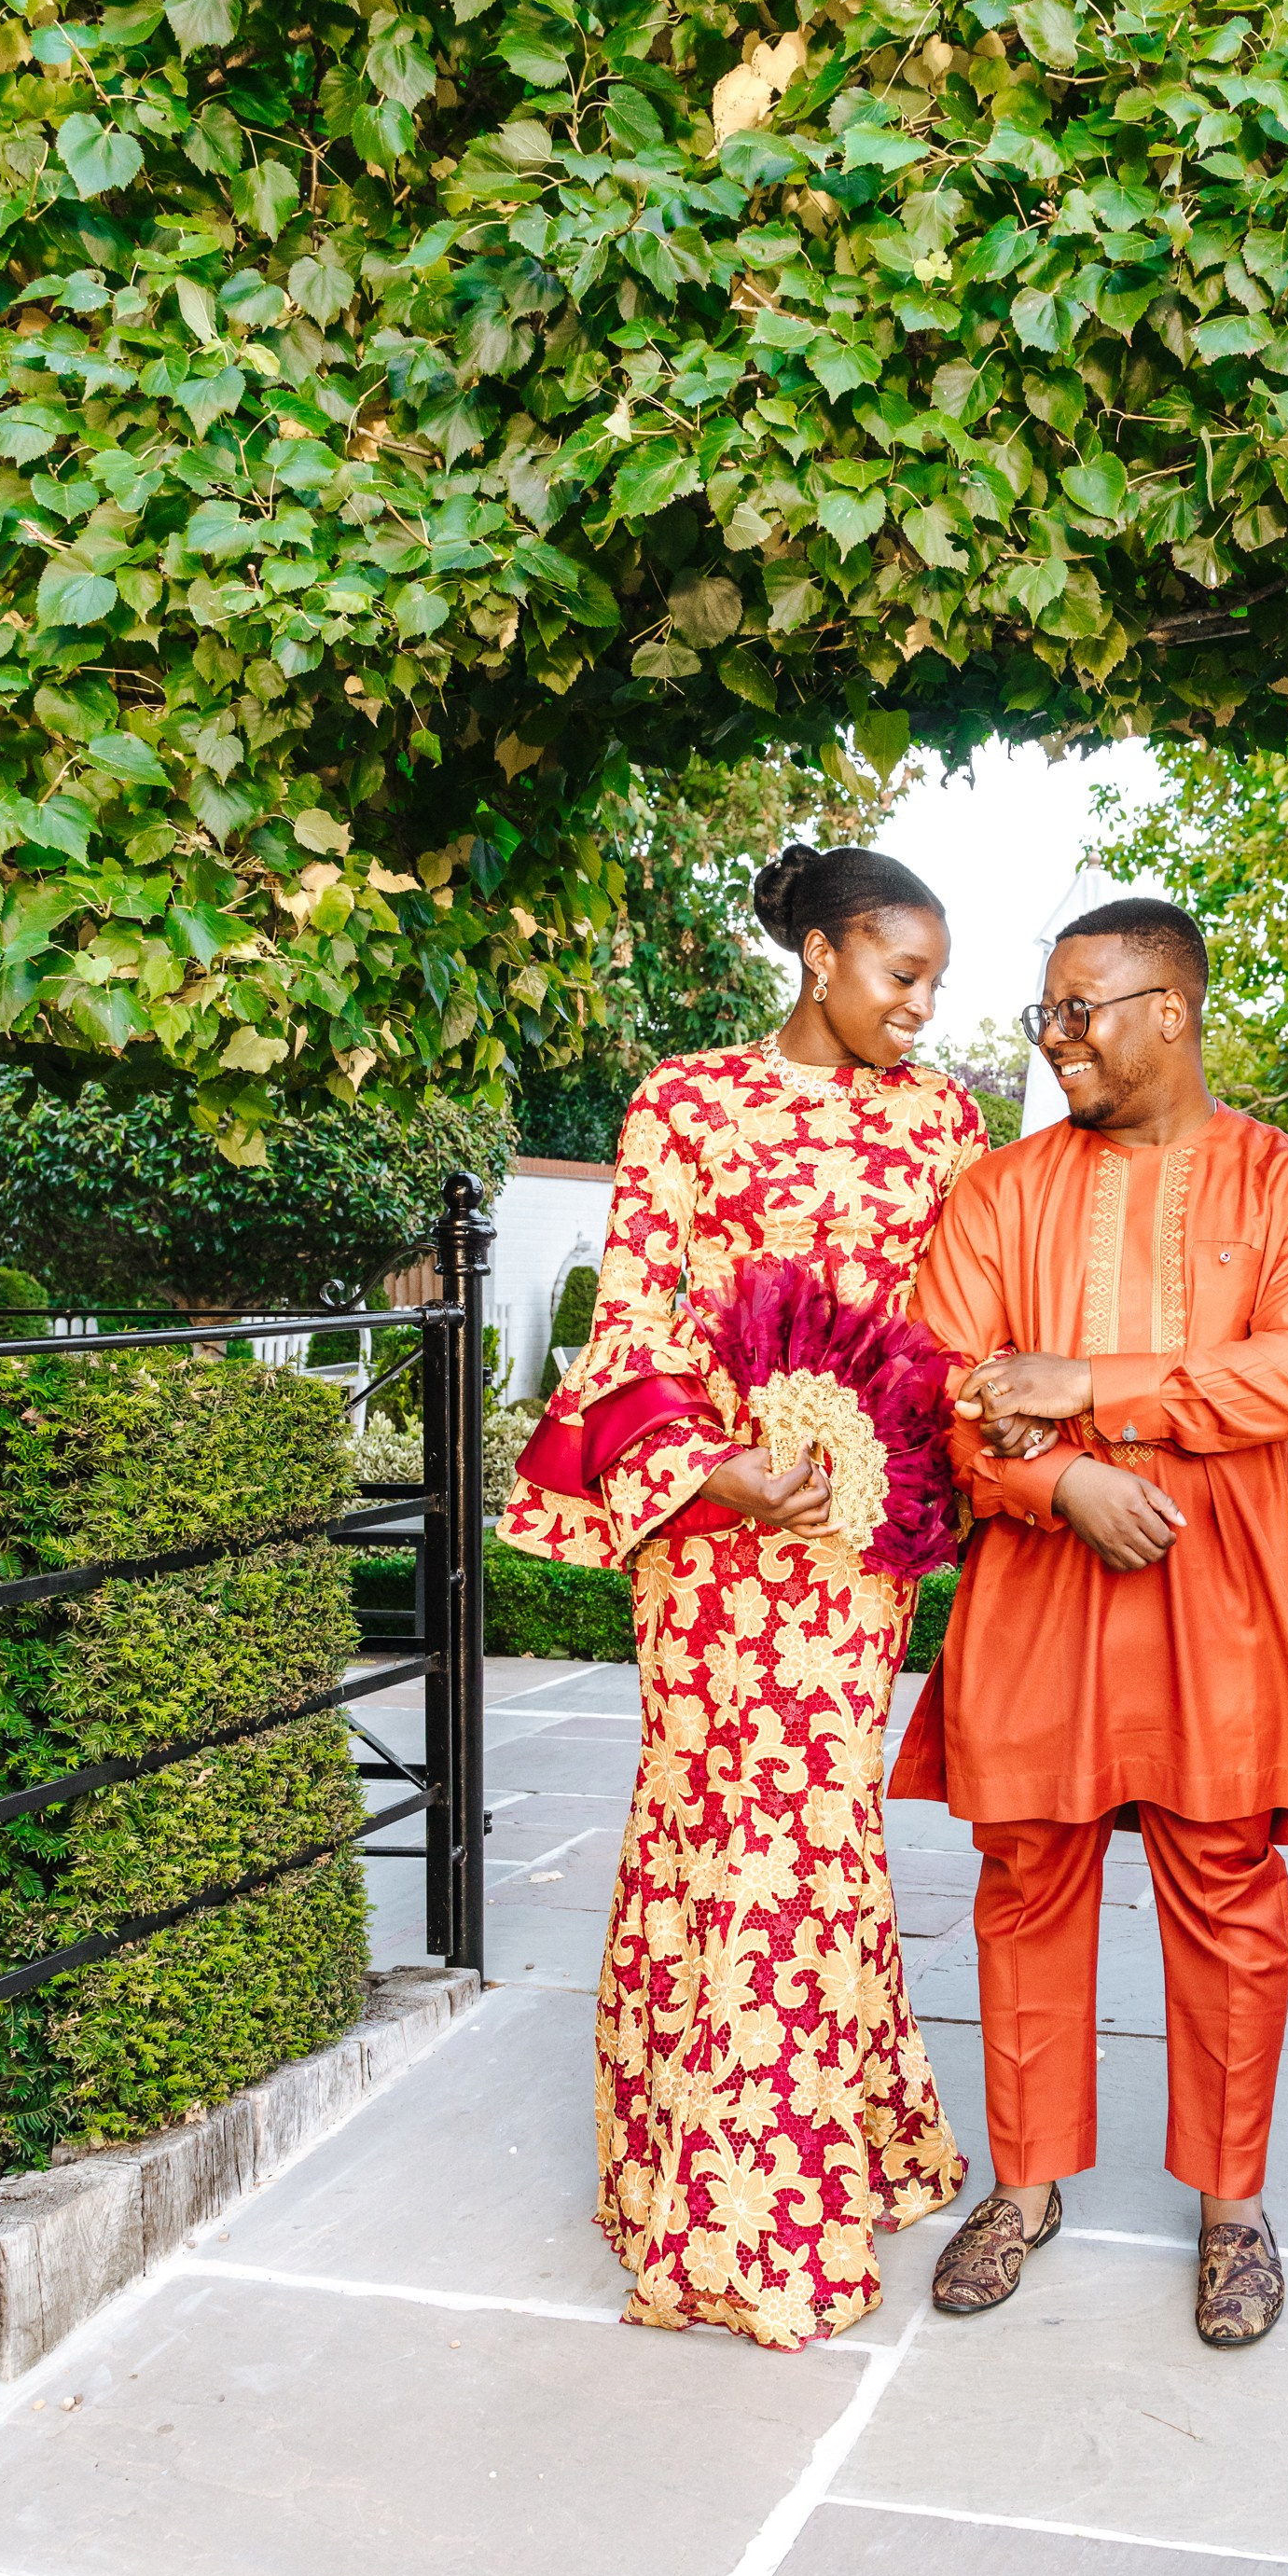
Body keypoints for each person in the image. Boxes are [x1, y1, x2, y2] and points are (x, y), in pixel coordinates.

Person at [497, 842, 983, 2352]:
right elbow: (635, 1325)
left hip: (847, 1558)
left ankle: (789, 2187)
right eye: (902, 976)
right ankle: (712, 2195)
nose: (920, 1008)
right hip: (709, 1551)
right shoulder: (686, 1104)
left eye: (935, 986)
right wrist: (710, 1471)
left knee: (812, 1837)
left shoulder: (947, 1122)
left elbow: (957, 1330)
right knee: (707, 1828)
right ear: (823, 957)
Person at [891, 896, 1288, 2350]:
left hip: (1210, 1589)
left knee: (1225, 1887)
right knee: (1022, 1873)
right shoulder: (998, 1193)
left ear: (1169, 1010)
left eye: (1077, 1011)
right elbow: (946, 1384)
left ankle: (1230, 2207)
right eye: (1044, 1013)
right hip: (1039, 1586)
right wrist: (1056, 1484)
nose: (1052, 1042)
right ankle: (1025, 2184)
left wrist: (1095, 1388)